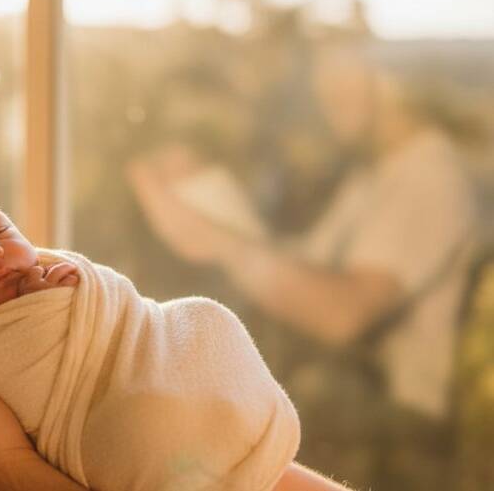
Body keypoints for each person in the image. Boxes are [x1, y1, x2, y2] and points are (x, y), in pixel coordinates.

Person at [0, 170, 356, 491]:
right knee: (142, 426)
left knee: (202, 316)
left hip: (155, 365)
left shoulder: (31, 277)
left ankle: (227, 440)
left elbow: (107, 315)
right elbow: (33, 369)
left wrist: (64, 289)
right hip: (124, 430)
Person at [127, 44, 479, 489]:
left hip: (394, 434)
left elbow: (340, 314)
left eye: (342, 91)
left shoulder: (430, 179)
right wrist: (211, 200)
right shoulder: (374, 176)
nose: (328, 108)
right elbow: (303, 265)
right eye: (325, 94)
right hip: (342, 408)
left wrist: (220, 242)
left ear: (389, 82)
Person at [0, 264, 352, 491]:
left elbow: (118, 321)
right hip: (135, 428)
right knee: (141, 424)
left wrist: (3, 470)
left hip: (162, 379)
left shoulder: (44, 279)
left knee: (198, 320)